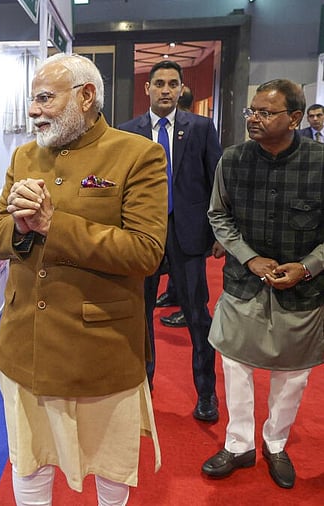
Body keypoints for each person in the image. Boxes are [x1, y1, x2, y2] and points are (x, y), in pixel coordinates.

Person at [0, 53, 167, 505]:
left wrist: (53, 225)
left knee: (110, 467)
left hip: (101, 349)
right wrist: (20, 229)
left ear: (86, 97)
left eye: (45, 98)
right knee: (29, 460)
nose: (33, 110)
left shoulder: (137, 154)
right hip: (24, 344)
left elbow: (146, 252)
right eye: (33, 99)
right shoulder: (25, 155)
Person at [201, 79, 323, 489]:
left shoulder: (319, 162)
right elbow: (219, 216)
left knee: (293, 374)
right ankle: (238, 445)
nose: (254, 118)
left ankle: (275, 442)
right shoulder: (233, 159)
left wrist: (306, 267)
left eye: (265, 112)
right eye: (251, 111)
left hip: (303, 290)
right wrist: (249, 258)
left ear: (294, 118)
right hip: (242, 283)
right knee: (235, 366)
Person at [117, 60, 223, 422]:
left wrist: (217, 234)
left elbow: (216, 183)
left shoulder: (201, 128)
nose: (166, 90)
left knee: (197, 317)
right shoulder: (127, 132)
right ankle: (142, 390)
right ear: (147, 88)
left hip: (188, 235)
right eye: (159, 83)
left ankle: (206, 393)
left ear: (181, 89)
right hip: (142, 234)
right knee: (140, 316)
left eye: (173, 84)